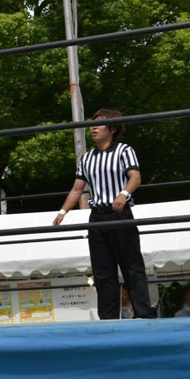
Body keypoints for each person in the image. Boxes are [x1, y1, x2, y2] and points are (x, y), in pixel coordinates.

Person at [53, 109, 154, 320]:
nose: (94, 127)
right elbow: (77, 189)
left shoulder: (124, 150)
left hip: (120, 213)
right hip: (97, 217)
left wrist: (124, 193)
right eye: (93, 123)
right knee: (102, 269)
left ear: (113, 128)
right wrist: (62, 212)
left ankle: (144, 314)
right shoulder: (87, 158)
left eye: (99, 123)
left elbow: (135, 177)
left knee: (131, 265)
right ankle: (108, 318)